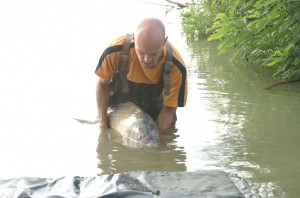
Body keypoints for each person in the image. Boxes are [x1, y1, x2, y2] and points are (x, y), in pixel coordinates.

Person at [95, 17, 187, 132]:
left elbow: (169, 109)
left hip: (155, 109)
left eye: (153, 54)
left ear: (164, 41)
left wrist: (155, 141)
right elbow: (101, 84)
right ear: (133, 38)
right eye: (141, 52)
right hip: (119, 107)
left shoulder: (176, 68)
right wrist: (103, 125)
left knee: (160, 137)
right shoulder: (114, 52)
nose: (147, 60)